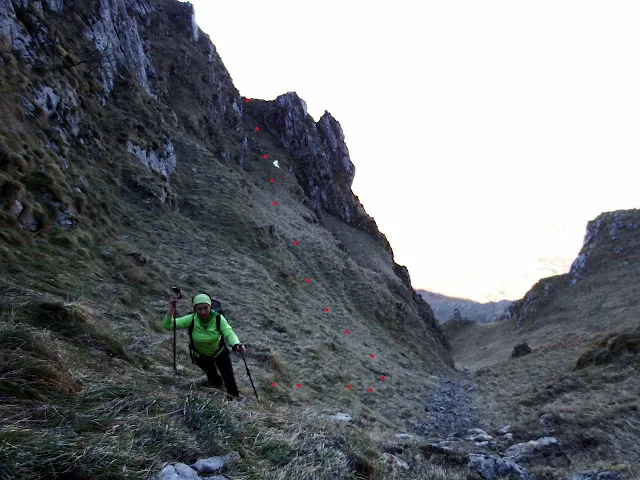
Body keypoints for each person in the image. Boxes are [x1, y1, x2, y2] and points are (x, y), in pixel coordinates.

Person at [163, 292, 247, 399]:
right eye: (199, 309)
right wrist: (172, 307)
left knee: (229, 379)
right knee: (213, 378)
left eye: (205, 308)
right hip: (201, 356)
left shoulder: (218, 318)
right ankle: (217, 394)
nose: (203, 312)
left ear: (210, 307)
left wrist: (236, 344)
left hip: (220, 353)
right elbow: (168, 325)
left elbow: (229, 333)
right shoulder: (191, 319)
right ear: (195, 309)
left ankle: (234, 399)